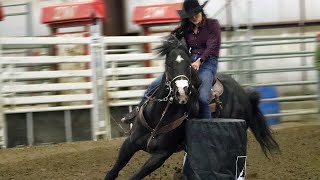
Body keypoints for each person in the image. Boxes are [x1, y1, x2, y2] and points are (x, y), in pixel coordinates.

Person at [121, 0, 221, 122]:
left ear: (201, 12)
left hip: (207, 63)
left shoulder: (213, 25)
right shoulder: (186, 29)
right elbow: (175, 43)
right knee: (155, 84)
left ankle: (208, 127)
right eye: (191, 16)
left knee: (202, 98)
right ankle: (137, 111)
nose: (194, 18)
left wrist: (200, 61)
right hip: (188, 63)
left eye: (196, 14)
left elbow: (212, 46)